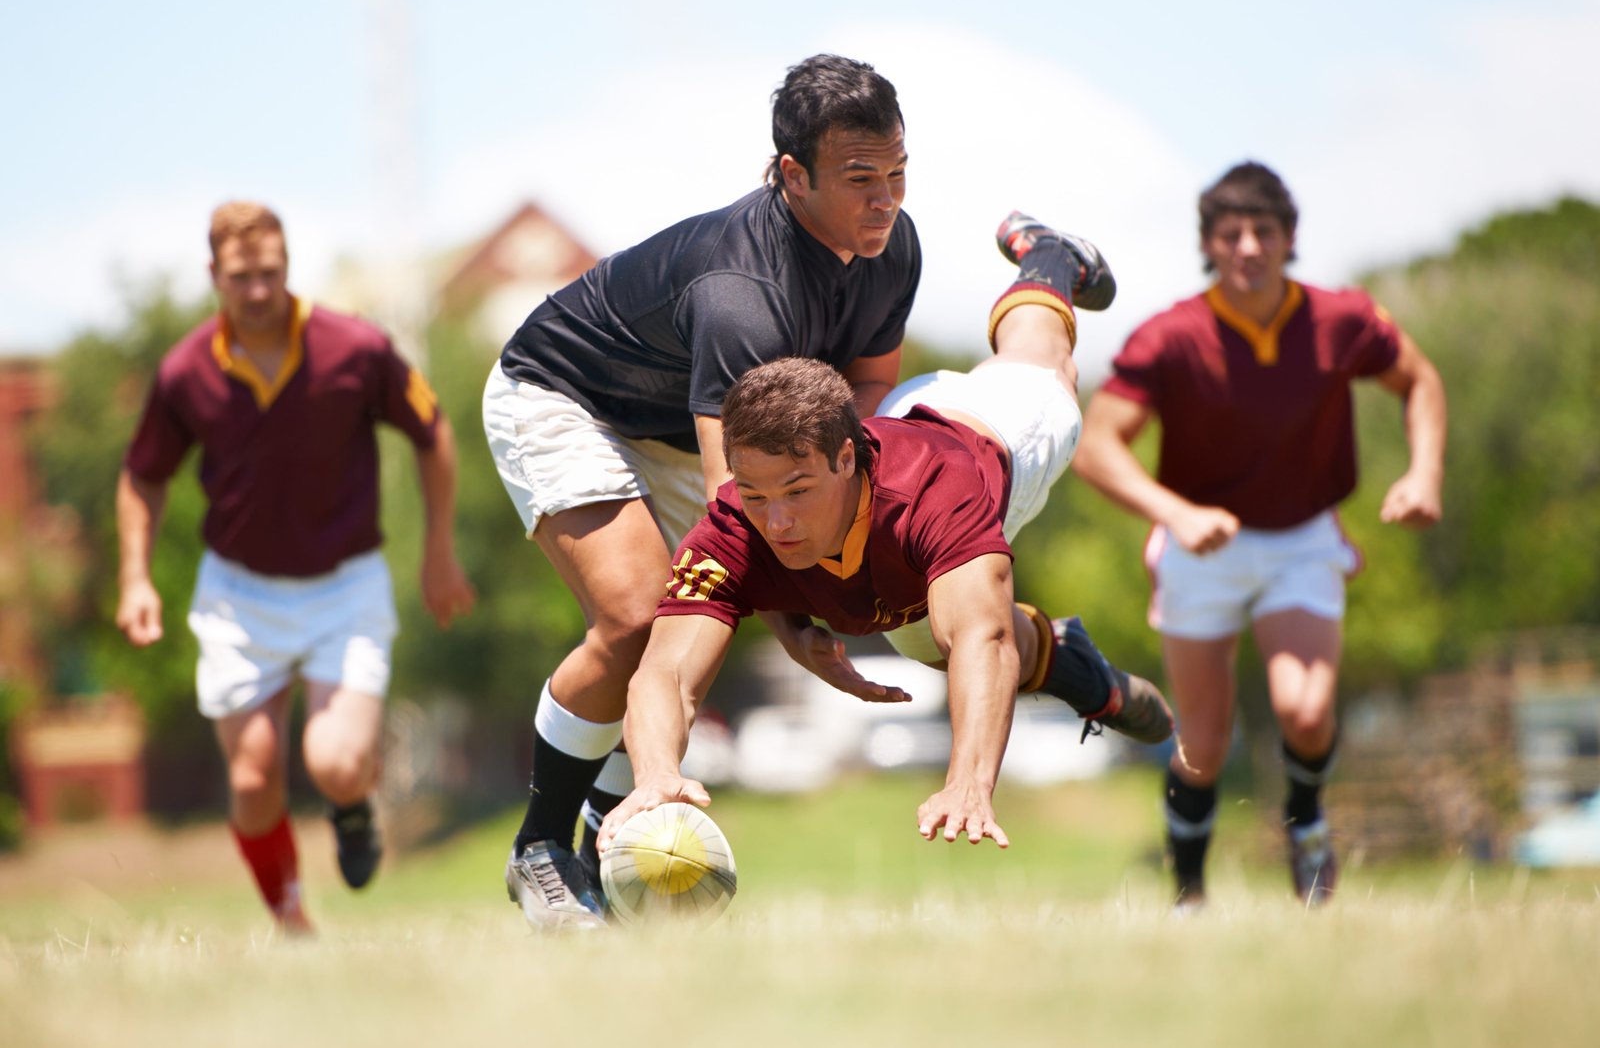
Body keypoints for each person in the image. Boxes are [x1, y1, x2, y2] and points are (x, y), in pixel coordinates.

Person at [484, 54, 922, 930]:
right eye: (861, 178)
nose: (887, 199)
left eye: (899, 172)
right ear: (791, 175)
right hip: (566, 396)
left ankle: (615, 835)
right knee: (642, 611)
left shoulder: (890, 245)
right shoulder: (740, 293)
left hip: (695, 426)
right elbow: (741, 504)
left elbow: (865, 396)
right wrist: (798, 616)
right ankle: (539, 849)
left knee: (690, 631)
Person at [597, 217, 1172, 881]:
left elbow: (983, 640)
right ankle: (1076, 666)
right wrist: (657, 775)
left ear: (845, 459)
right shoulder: (734, 524)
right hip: (902, 428)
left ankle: (1048, 258)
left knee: (1041, 365)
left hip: (998, 429)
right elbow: (665, 671)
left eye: (796, 490)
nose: (775, 520)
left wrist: (968, 781)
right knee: (919, 638)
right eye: (755, 493)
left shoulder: (936, 495)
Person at [1072, 161, 1447, 909]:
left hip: (1302, 538)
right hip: (1200, 547)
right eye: (1230, 233)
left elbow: (1421, 381)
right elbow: (1096, 444)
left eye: (1263, 231)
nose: (1248, 246)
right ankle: (1188, 896)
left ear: (1289, 238)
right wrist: (1172, 512)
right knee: (1203, 745)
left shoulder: (1341, 319)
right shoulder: (1172, 334)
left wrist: (1424, 472)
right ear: (1209, 243)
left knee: (1306, 712)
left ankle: (1307, 820)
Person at [116, 202, 476, 935]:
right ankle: (291, 920)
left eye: (272, 273)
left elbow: (431, 432)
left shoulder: (354, 348)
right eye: (242, 277)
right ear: (215, 275)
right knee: (252, 774)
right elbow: (143, 476)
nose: (258, 290)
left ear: (288, 268)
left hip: (345, 585)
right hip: (238, 593)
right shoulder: (185, 371)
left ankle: (351, 803)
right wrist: (135, 574)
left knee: (335, 760)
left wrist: (438, 550)